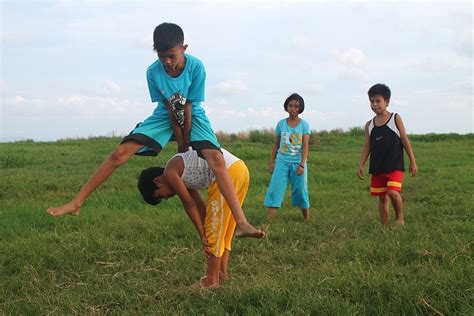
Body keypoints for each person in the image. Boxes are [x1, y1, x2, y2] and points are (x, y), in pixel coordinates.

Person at [47, 22, 264, 238]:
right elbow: (170, 108)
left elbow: (187, 106)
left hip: (193, 114)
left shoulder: (196, 67)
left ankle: (242, 223)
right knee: (119, 153)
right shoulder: (153, 72)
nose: (167, 62)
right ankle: (76, 203)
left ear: (184, 48)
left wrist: (186, 139)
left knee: (216, 159)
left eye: (172, 56)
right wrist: (180, 142)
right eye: (162, 57)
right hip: (163, 115)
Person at [138, 147, 253, 288]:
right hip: (239, 169)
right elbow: (198, 203)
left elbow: (190, 204)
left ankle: (211, 279)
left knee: (215, 229)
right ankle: (221, 274)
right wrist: (207, 228)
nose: (167, 197)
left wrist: (204, 235)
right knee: (223, 230)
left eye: (160, 195)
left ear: (158, 181)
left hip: (226, 174)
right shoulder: (182, 172)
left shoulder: (170, 173)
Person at [357, 83, 418, 225]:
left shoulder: (395, 118)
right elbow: (367, 146)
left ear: (387, 102)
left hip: (394, 164)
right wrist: (361, 164)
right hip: (378, 166)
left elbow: (404, 139)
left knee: (392, 192)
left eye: (378, 101)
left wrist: (412, 161)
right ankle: (384, 227)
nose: (374, 104)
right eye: (371, 101)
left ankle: (399, 218)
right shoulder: (369, 125)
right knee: (382, 197)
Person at [264, 93, 311, 221]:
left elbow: (305, 146)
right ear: (286, 107)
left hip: (298, 163)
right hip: (282, 162)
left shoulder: (305, 125)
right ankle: (269, 222)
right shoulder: (281, 124)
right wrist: (272, 162)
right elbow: (276, 145)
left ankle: (307, 220)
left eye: (296, 106)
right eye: (290, 106)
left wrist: (302, 164)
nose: (293, 109)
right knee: (276, 189)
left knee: (301, 191)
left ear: (300, 108)